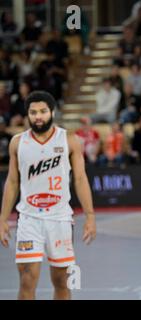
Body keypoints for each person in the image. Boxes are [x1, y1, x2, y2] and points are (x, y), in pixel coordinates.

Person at [0, 91, 96, 300]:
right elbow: (13, 181)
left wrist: (90, 216)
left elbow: (80, 179)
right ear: (27, 115)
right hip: (29, 218)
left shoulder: (69, 140)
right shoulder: (18, 142)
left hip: (60, 219)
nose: (38, 116)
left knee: (62, 281)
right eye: (33, 112)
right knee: (27, 278)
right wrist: (2, 218)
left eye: (43, 111)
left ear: (52, 112)